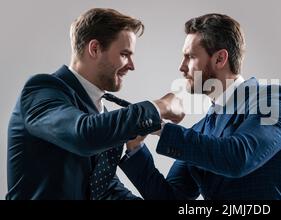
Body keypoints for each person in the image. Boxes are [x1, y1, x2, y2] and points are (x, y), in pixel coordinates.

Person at [6, 8, 184, 200]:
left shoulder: (100, 113)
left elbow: (103, 188)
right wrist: (160, 106)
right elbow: (84, 135)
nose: (132, 66)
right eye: (125, 54)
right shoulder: (41, 90)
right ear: (95, 49)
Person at [120, 13, 281, 200]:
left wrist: (158, 126)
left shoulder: (273, 100)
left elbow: (238, 158)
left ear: (220, 59)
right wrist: (135, 147)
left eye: (190, 57)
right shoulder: (201, 130)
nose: (182, 67)